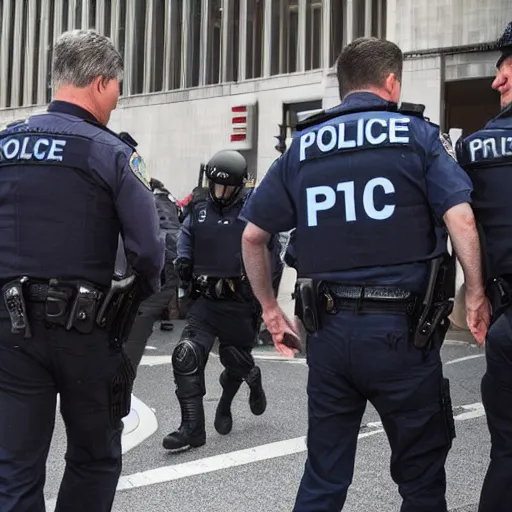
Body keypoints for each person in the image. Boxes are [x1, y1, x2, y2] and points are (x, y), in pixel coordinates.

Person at [240, 37, 490, 511]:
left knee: (324, 478)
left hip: (329, 335)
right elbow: (462, 219)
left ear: (344, 85)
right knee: (419, 479)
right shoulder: (415, 135)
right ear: (392, 82)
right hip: (404, 337)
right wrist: (475, 295)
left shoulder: (304, 144)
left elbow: (253, 236)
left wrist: (271, 311)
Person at [0, 30, 164, 512]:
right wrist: (128, 312)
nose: (117, 97)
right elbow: (149, 252)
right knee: (93, 458)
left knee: (13, 465)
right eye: (116, 86)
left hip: (9, 330)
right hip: (87, 328)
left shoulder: (5, 145)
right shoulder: (110, 152)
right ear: (99, 82)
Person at [162, 149, 277, 452]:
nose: (220, 193)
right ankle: (191, 428)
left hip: (240, 301)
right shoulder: (199, 205)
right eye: (216, 185)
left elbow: (270, 251)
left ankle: (234, 394)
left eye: (227, 187)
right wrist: (184, 260)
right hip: (206, 300)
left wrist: (265, 300)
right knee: (186, 355)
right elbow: (186, 235)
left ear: (240, 186)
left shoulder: (255, 206)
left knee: (234, 361)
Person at [455, 21, 512, 512]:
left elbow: (456, 227)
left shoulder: (475, 150)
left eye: (505, 72)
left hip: (508, 319)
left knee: (508, 453)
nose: (495, 82)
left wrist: (474, 295)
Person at [123, 177, 181, 372]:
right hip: (173, 257)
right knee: (148, 310)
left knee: (141, 314)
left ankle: (124, 373)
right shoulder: (169, 199)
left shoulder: (145, 198)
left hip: (158, 255)